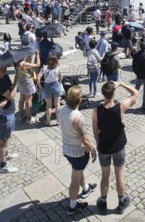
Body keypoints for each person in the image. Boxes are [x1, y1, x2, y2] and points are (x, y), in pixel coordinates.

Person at [92, 81, 138, 214]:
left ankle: (103, 200)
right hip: (118, 147)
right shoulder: (121, 106)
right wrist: (122, 84)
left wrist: (98, 143)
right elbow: (135, 93)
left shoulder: (96, 111)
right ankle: (121, 201)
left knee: (105, 176)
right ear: (114, 93)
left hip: (104, 149)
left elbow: (95, 131)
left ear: (103, 94)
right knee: (119, 175)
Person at [58, 86, 98, 215]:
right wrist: (93, 150)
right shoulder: (79, 118)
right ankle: (72, 206)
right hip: (78, 154)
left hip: (66, 149)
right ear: (79, 100)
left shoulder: (62, 109)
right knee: (75, 179)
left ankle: (85, 189)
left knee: (78, 171)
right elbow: (85, 141)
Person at [0, 64, 19, 173]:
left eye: (5, 66)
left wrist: (6, 100)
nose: (5, 68)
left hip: (9, 111)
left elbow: (10, 91)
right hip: (4, 115)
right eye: (2, 67)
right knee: (3, 139)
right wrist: (17, 80)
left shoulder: (4, 76)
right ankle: (3, 165)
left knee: (7, 136)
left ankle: (6, 154)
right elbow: (11, 94)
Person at [37, 55, 62, 127]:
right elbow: (60, 76)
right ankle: (58, 121)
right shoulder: (57, 67)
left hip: (47, 87)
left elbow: (38, 79)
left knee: (48, 106)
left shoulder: (44, 68)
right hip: (56, 86)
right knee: (57, 105)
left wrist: (40, 87)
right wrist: (59, 81)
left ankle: (48, 122)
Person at [16, 53, 41, 124]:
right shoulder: (23, 64)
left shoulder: (16, 63)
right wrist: (37, 55)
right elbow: (37, 65)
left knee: (21, 98)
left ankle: (21, 115)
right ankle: (29, 118)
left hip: (21, 83)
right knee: (28, 100)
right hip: (27, 84)